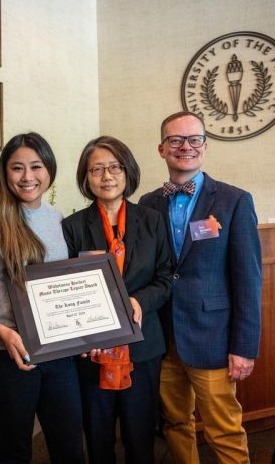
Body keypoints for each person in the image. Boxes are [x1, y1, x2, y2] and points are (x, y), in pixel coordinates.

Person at [139, 111, 262, 464]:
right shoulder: (148, 204)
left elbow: (248, 278)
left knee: (223, 427)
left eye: (194, 139)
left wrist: (245, 346)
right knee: (175, 423)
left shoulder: (234, 200)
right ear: (161, 149)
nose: (185, 147)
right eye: (176, 140)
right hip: (163, 338)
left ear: (205, 147)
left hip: (213, 337)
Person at [0, 132, 85, 464]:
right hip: (3, 353)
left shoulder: (57, 217)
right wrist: (3, 332)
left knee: (69, 447)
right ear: (5, 172)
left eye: (36, 166)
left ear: (49, 169)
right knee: (15, 450)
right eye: (17, 168)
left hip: (58, 351)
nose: (28, 177)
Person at [62, 136, 173, 464]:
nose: (106, 176)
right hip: (92, 349)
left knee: (141, 437)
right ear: (86, 177)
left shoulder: (151, 220)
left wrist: (139, 301)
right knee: (97, 438)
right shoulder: (72, 227)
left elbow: (166, 278)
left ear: (128, 173)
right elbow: (68, 288)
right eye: (96, 169)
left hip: (143, 347)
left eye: (114, 167)